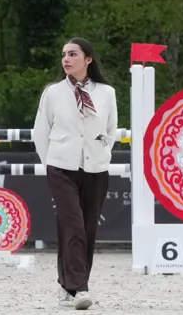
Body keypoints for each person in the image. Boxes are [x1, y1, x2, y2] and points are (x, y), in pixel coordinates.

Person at [32, 37, 117, 311]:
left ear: (88, 59)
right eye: (64, 55)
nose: (66, 59)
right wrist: (50, 163)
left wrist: (101, 154)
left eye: (72, 54)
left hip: (96, 168)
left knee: (87, 229)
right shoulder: (53, 93)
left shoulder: (107, 93)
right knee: (74, 225)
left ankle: (66, 286)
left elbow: (111, 130)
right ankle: (81, 288)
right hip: (61, 167)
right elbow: (40, 131)